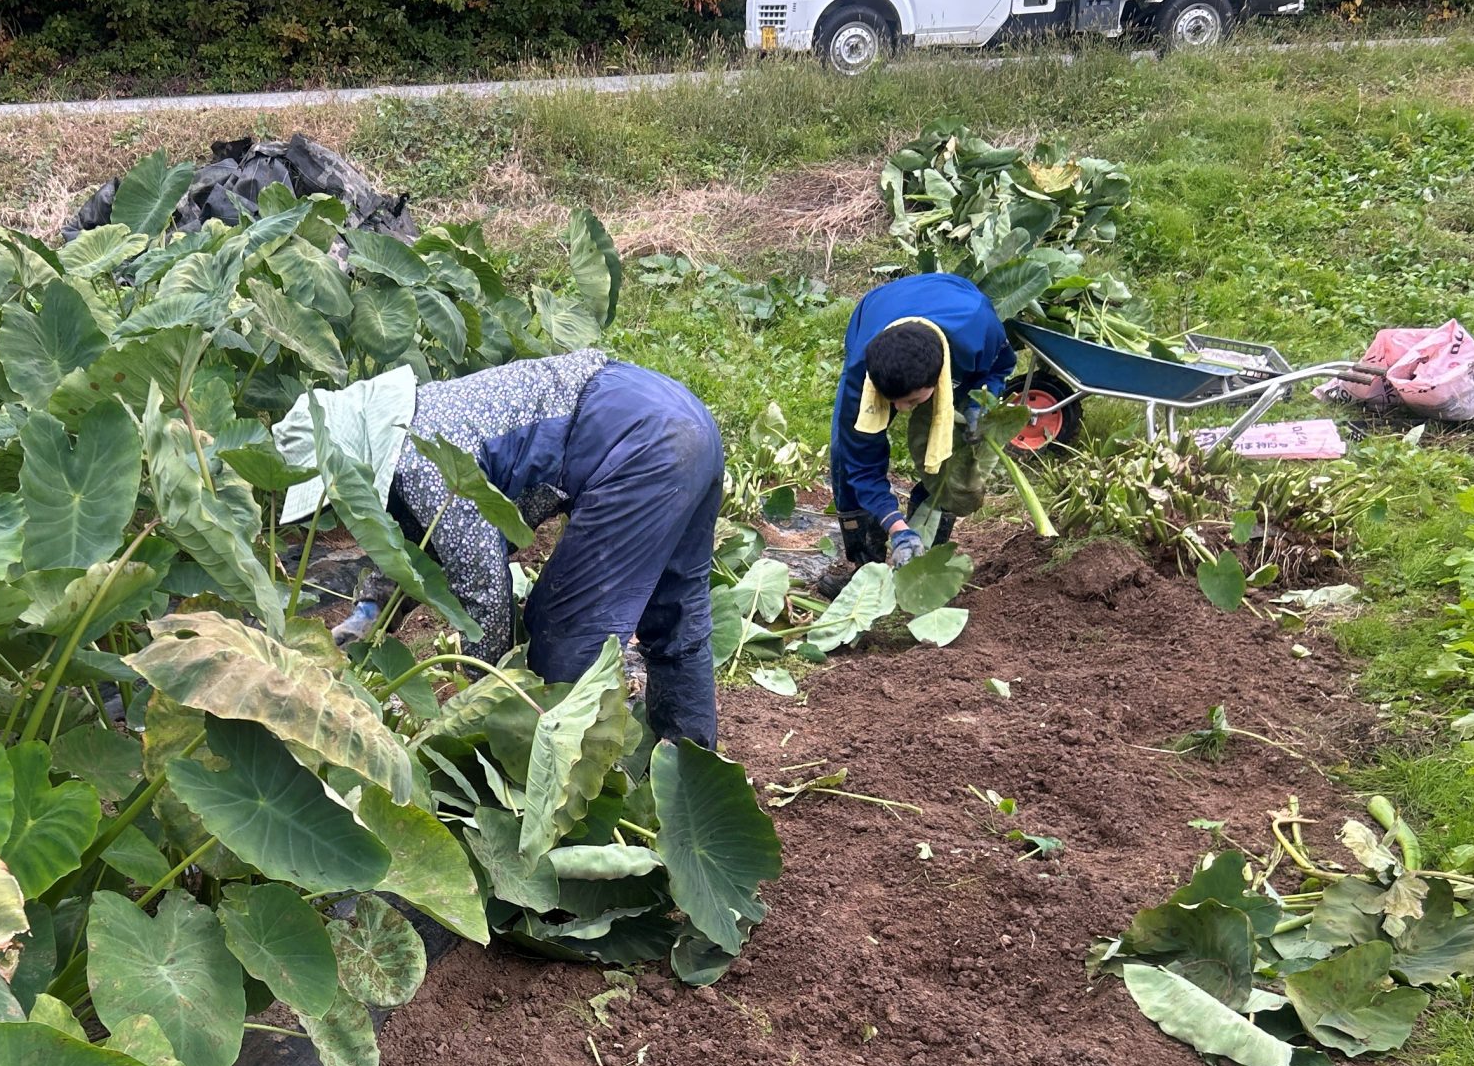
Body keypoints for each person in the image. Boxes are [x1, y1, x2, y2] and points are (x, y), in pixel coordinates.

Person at [277, 350, 725, 747]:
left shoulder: (422, 464)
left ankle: (571, 773)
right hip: (677, 415)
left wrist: (482, 698)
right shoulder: (418, 420)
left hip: (642, 444)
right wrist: (369, 612)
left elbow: (484, 591)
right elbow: (415, 543)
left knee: (563, 631)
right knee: (676, 609)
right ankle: (688, 763)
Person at [830, 271, 1017, 568]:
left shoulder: (978, 328)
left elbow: (999, 368)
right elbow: (862, 465)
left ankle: (923, 557)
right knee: (845, 453)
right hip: (877, 310)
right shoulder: (860, 370)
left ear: (942, 374)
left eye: (912, 401)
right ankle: (867, 564)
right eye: (892, 402)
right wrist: (896, 527)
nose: (902, 410)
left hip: (953, 301)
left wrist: (981, 402)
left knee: (956, 449)